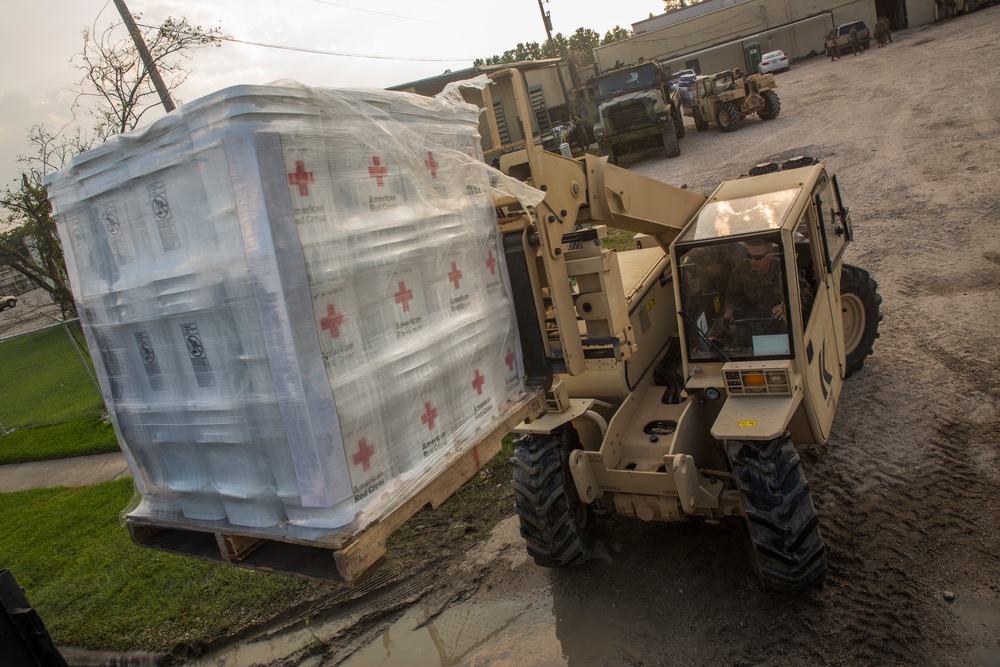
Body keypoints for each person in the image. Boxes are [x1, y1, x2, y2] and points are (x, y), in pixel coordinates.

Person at [722, 239, 785, 325]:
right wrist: (729, 312)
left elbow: (805, 295)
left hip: (778, 320)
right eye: (749, 256)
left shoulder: (784, 268)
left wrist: (785, 306)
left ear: (770, 256)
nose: (753, 261)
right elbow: (732, 294)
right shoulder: (741, 269)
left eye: (758, 257)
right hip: (750, 320)